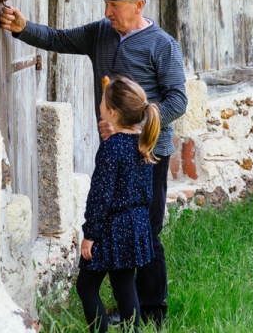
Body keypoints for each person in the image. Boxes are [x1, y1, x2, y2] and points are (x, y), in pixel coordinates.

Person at [0, 0, 187, 326]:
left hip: (149, 152)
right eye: (106, 5)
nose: (108, 13)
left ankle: (153, 312)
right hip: (114, 151)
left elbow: (178, 99)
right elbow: (58, 39)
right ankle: (127, 307)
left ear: (138, 5)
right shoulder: (100, 33)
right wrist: (23, 28)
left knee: (146, 231)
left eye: (115, 6)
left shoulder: (163, 45)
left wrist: (137, 123)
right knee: (118, 227)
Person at [77, 75, 160, 332]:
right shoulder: (142, 144)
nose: (99, 103)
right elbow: (145, 191)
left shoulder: (111, 148)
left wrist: (90, 234)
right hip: (135, 224)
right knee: (125, 286)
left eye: (102, 101)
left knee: (86, 286)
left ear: (111, 113)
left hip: (111, 228)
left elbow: (100, 195)